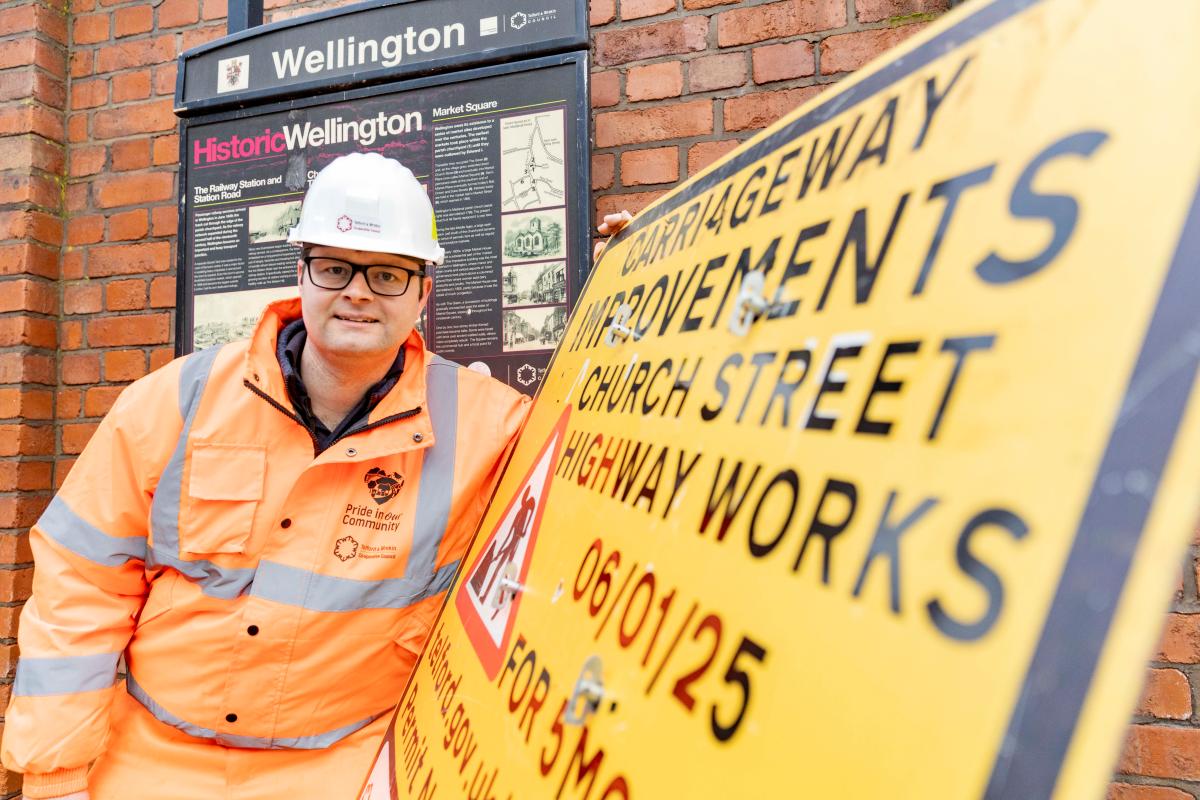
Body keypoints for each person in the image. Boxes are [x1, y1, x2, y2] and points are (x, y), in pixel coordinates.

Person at [0, 153, 536, 799]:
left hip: (346, 768)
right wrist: (56, 776)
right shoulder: (178, 400)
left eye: (388, 274)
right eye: (334, 267)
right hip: (151, 762)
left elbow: (607, 468)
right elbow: (82, 586)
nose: (358, 292)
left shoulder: (492, 427)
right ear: (301, 274)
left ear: (423, 292)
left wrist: (631, 300)